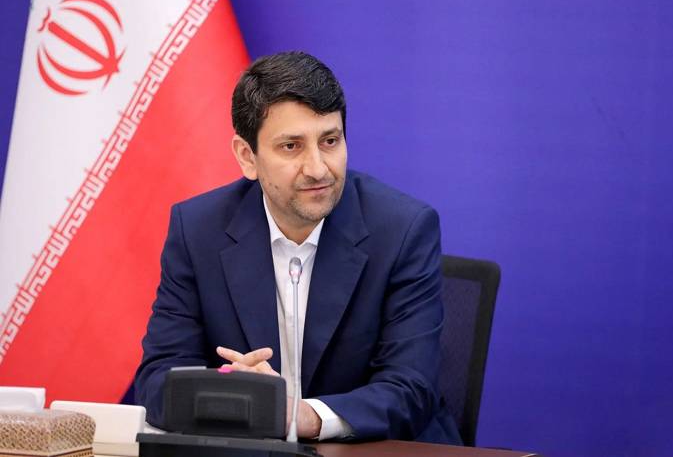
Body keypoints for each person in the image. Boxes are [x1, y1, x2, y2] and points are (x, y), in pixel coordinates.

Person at [135, 51, 461, 444]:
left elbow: (410, 389)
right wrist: (236, 398)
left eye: (330, 141)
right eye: (291, 146)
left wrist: (300, 417)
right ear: (247, 157)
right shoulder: (198, 230)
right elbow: (159, 380)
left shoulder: (403, 230)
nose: (318, 168)